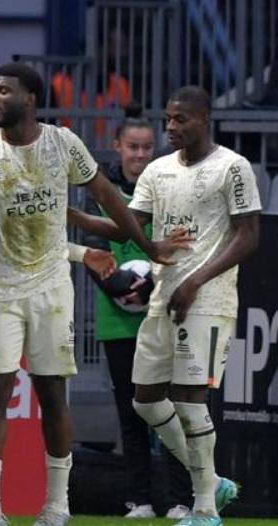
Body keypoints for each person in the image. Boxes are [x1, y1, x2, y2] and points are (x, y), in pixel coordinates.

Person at [0, 62, 180, 526]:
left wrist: (147, 244)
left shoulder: (62, 143)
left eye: (3, 90)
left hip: (51, 287)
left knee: (52, 395)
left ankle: (57, 506)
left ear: (30, 98)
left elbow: (106, 194)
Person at [69, 86, 260, 526]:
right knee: (146, 401)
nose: (171, 127)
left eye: (181, 119)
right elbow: (126, 228)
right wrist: (71, 215)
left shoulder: (232, 167)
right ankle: (211, 478)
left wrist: (195, 280)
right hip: (164, 297)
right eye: (168, 119)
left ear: (205, 119)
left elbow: (249, 235)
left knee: (190, 399)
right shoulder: (157, 170)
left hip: (208, 298)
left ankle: (205, 508)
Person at [72, 103, 193, 519]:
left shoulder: (166, 191)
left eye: (146, 148)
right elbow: (94, 255)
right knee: (131, 412)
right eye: (133, 147)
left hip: (162, 317)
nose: (140, 154)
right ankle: (139, 500)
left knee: (171, 408)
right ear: (117, 146)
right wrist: (119, 286)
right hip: (117, 322)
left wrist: (153, 284)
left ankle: (179, 500)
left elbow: (179, 248)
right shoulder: (105, 198)